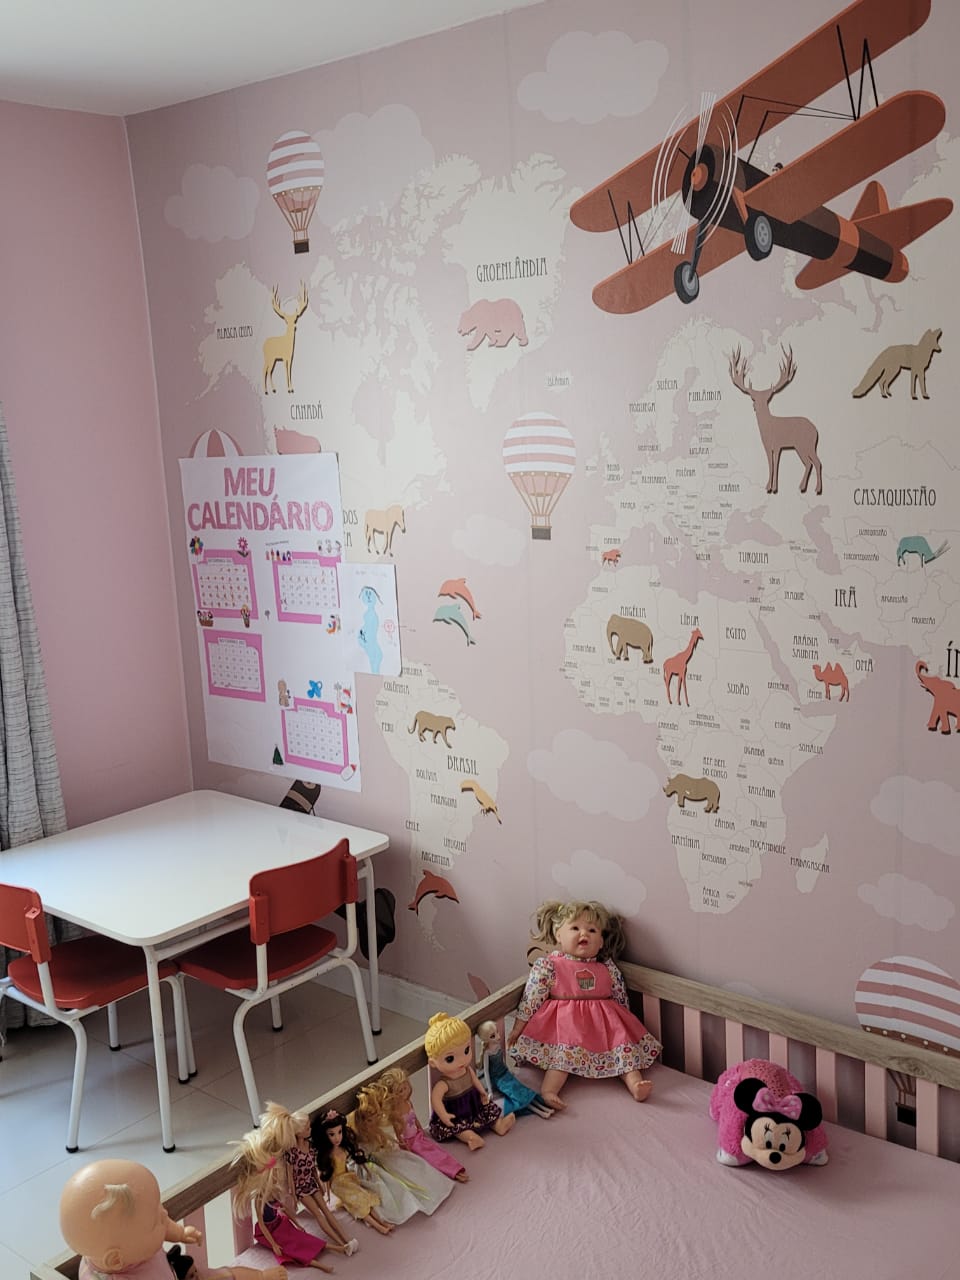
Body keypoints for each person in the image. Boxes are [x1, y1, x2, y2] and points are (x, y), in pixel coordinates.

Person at [508, 899, 661, 1107]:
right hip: (566, 1025)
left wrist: (624, 1023)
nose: (584, 934)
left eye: (592, 930)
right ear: (558, 934)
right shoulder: (550, 966)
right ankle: (549, 1091)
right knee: (562, 1057)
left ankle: (635, 1084)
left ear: (601, 942)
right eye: (575, 928)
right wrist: (518, 1027)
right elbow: (532, 997)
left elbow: (620, 997)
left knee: (624, 1051)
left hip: (604, 1025)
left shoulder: (607, 968)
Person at [58, 1158, 285, 1280]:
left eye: (160, 1208)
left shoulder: (130, 1244)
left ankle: (261, 1276)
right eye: (156, 1221)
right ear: (116, 1260)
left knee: (222, 1275)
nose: (165, 1215)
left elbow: (165, 1225)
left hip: (175, 1272)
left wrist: (180, 1233)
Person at [257, 1102, 358, 1255]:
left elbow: (312, 1169)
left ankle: (347, 1239)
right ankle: (341, 1245)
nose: (310, 1130)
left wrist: (319, 1183)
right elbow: (290, 1174)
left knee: (326, 1211)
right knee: (318, 1214)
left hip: (311, 1183)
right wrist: (293, 1194)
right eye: (307, 1128)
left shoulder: (310, 1147)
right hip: (301, 1189)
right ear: (298, 1132)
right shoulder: (292, 1151)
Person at [230, 1128, 333, 1272]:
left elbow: (284, 1209)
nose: (276, 1178)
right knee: (289, 1248)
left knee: (299, 1236)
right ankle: (320, 1265)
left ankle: (334, 1248)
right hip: (268, 1230)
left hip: (279, 1222)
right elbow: (262, 1224)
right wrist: (273, 1244)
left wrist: (297, 1223)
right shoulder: (260, 1200)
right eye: (273, 1175)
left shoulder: (274, 1193)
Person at [349, 1080, 455, 1214]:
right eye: (370, 1119)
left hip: (387, 1153)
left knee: (415, 1167)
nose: (375, 1120)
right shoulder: (361, 1135)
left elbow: (391, 1136)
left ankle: (434, 1188)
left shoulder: (382, 1126)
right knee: (394, 1184)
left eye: (377, 1116)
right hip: (375, 1161)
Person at [425, 1012, 515, 1150]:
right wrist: (443, 1115)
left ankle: (499, 1125)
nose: (462, 1060)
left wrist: (482, 1092)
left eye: (466, 1050)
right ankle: (471, 1138)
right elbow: (436, 1099)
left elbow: (475, 1081)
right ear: (432, 1063)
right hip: (456, 1112)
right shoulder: (444, 1083)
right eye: (450, 1059)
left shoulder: (467, 1070)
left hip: (474, 1105)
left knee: (488, 1113)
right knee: (458, 1128)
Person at [310, 1110, 394, 1235]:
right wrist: (327, 1194)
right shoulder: (328, 1154)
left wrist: (365, 1170)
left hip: (348, 1178)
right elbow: (327, 1175)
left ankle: (383, 1222)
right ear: (325, 1136)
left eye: (339, 1132)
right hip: (338, 1184)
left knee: (364, 1197)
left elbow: (356, 1160)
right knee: (358, 1203)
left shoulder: (343, 1148)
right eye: (331, 1134)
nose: (337, 1137)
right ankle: (379, 1227)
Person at [377, 1066, 468, 1182]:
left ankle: (455, 1168)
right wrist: (404, 1146)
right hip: (409, 1141)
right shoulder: (395, 1113)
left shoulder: (408, 1102)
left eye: (405, 1088)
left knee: (436, 1150)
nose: (404, 1092)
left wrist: (421, 1130)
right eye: (400, 1091)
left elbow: (414, 1118)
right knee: (429, 1157)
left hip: (417, 1135)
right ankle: (453, 1172)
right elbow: (398, 1132)